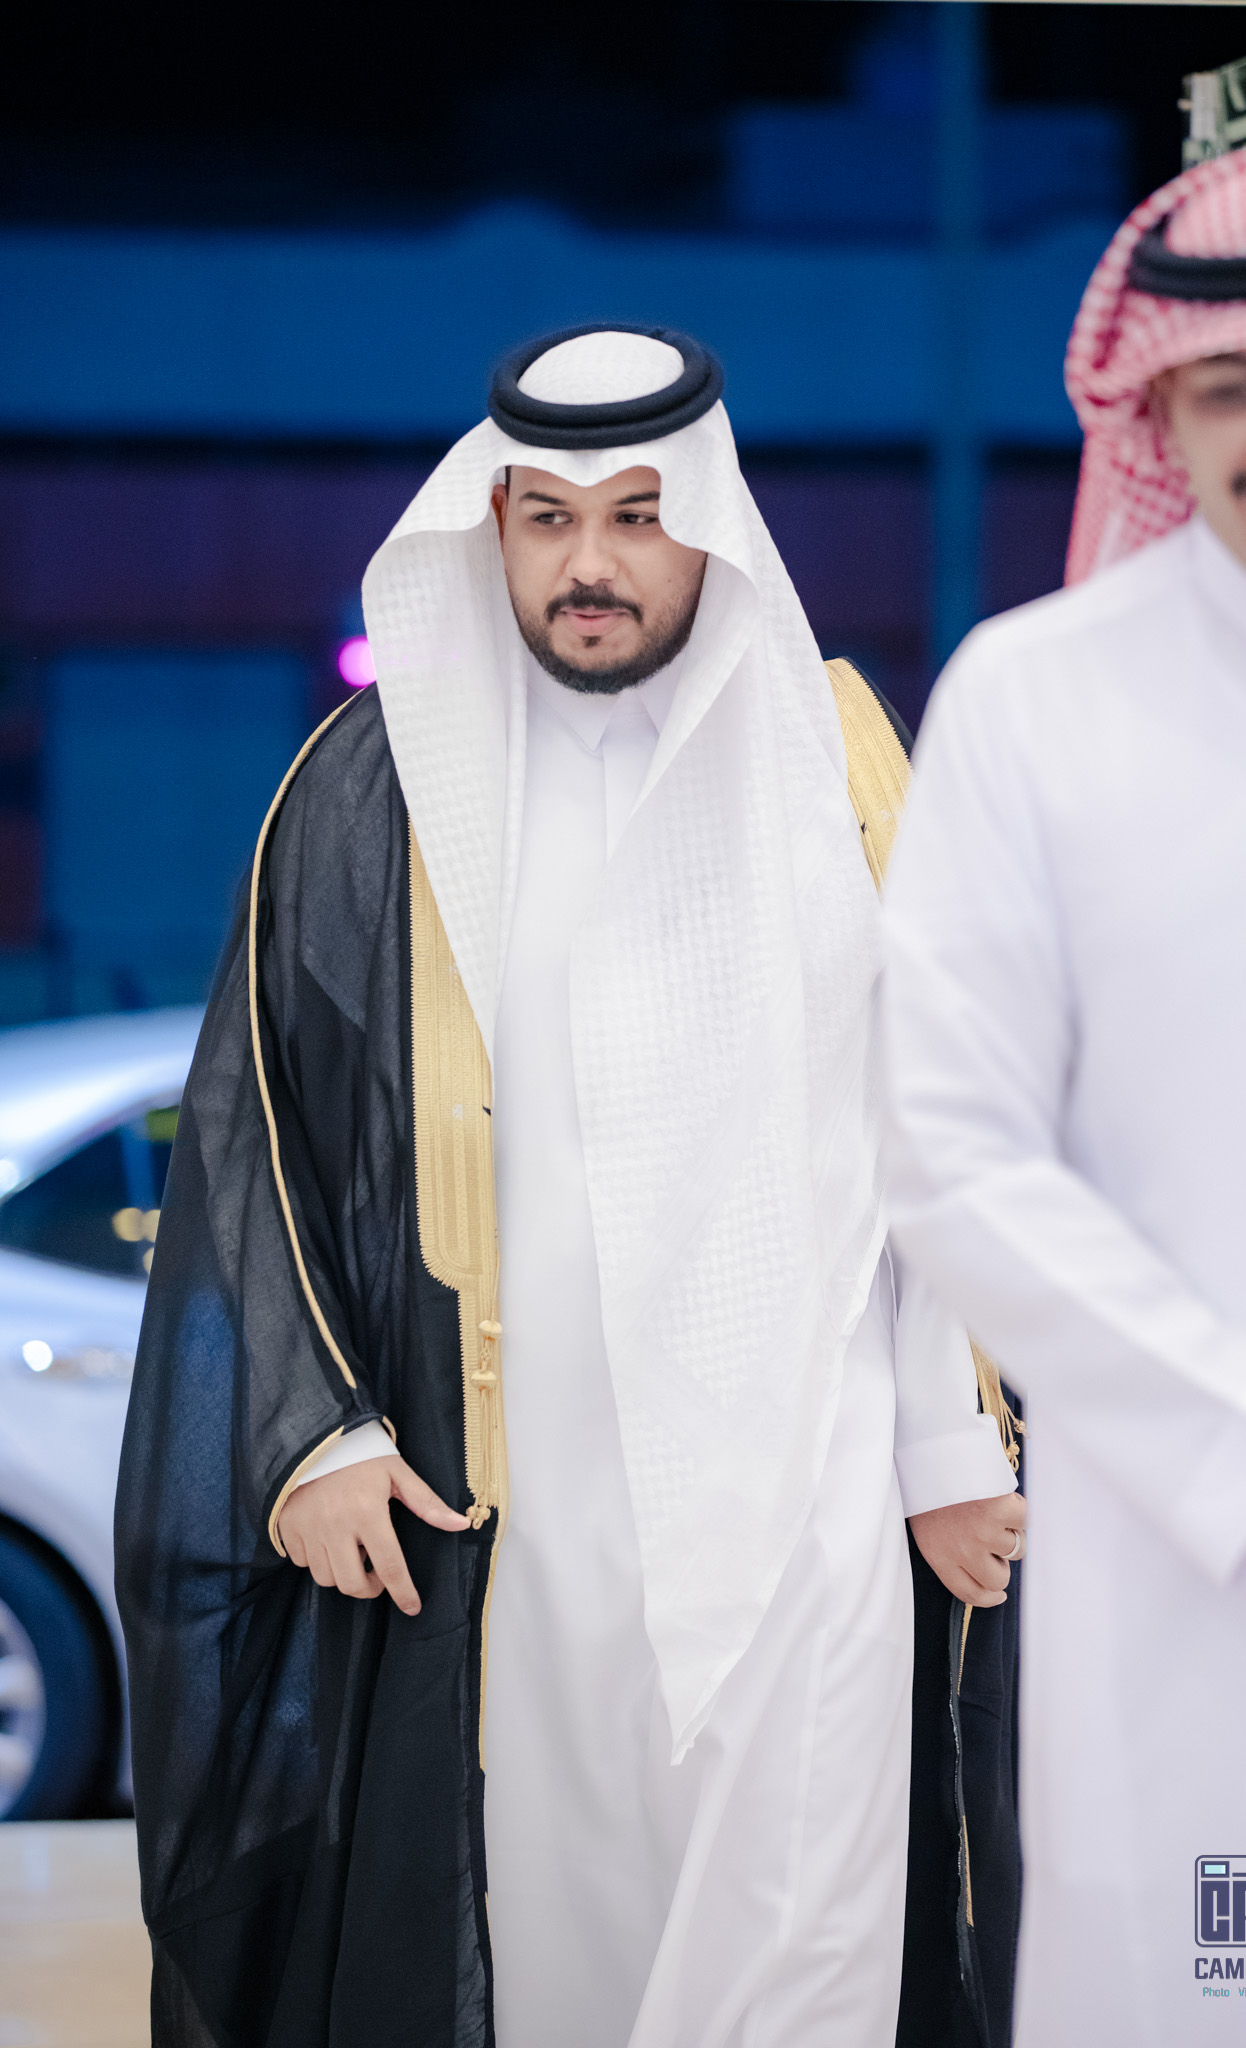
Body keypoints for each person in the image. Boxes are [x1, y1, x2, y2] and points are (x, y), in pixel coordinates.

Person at [115, 324, 1023, 2048]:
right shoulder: (375, 791)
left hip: (806, 1502)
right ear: (494, 528)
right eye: (545, 518)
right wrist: (310, 1432)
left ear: (710, 526)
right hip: (519, 1527)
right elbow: (255, 1127)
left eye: (634, 515)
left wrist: (941, 1437)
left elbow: (928, 1117)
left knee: (804, 1966)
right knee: (543, 1969)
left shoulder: (836, 755)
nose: (586, 563)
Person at [879, 140, 1246, 2048]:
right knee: (1243, 1986)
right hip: (1201, 1591)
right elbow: (952, 1153)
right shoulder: (1035, 701)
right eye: (1237, 388)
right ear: (1154, 407)